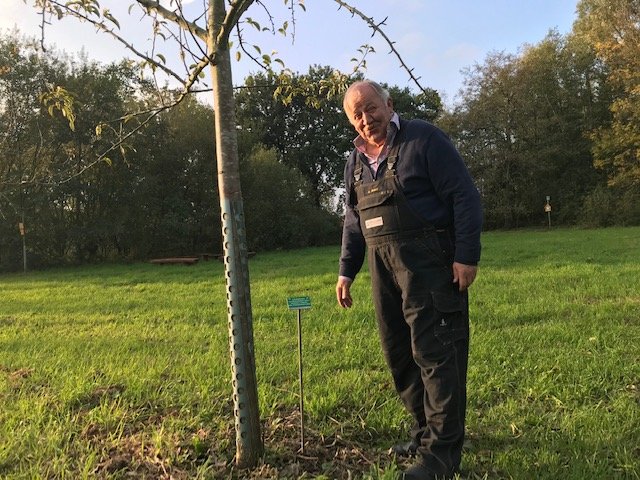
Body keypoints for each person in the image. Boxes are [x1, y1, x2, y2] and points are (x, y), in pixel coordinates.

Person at [336, 80, 482, 480]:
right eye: (357, 114)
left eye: (371, 108)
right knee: (399, 354)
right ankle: (426, 432)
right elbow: (353, 221)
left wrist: (466, 255)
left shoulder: (425, 139)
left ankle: (441, 457)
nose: (367, 119)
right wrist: (347, 270)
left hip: (431, 263)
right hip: (384, 269)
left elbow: (464, 196)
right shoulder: (354, 162)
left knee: (437, 355)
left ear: (389, 103)